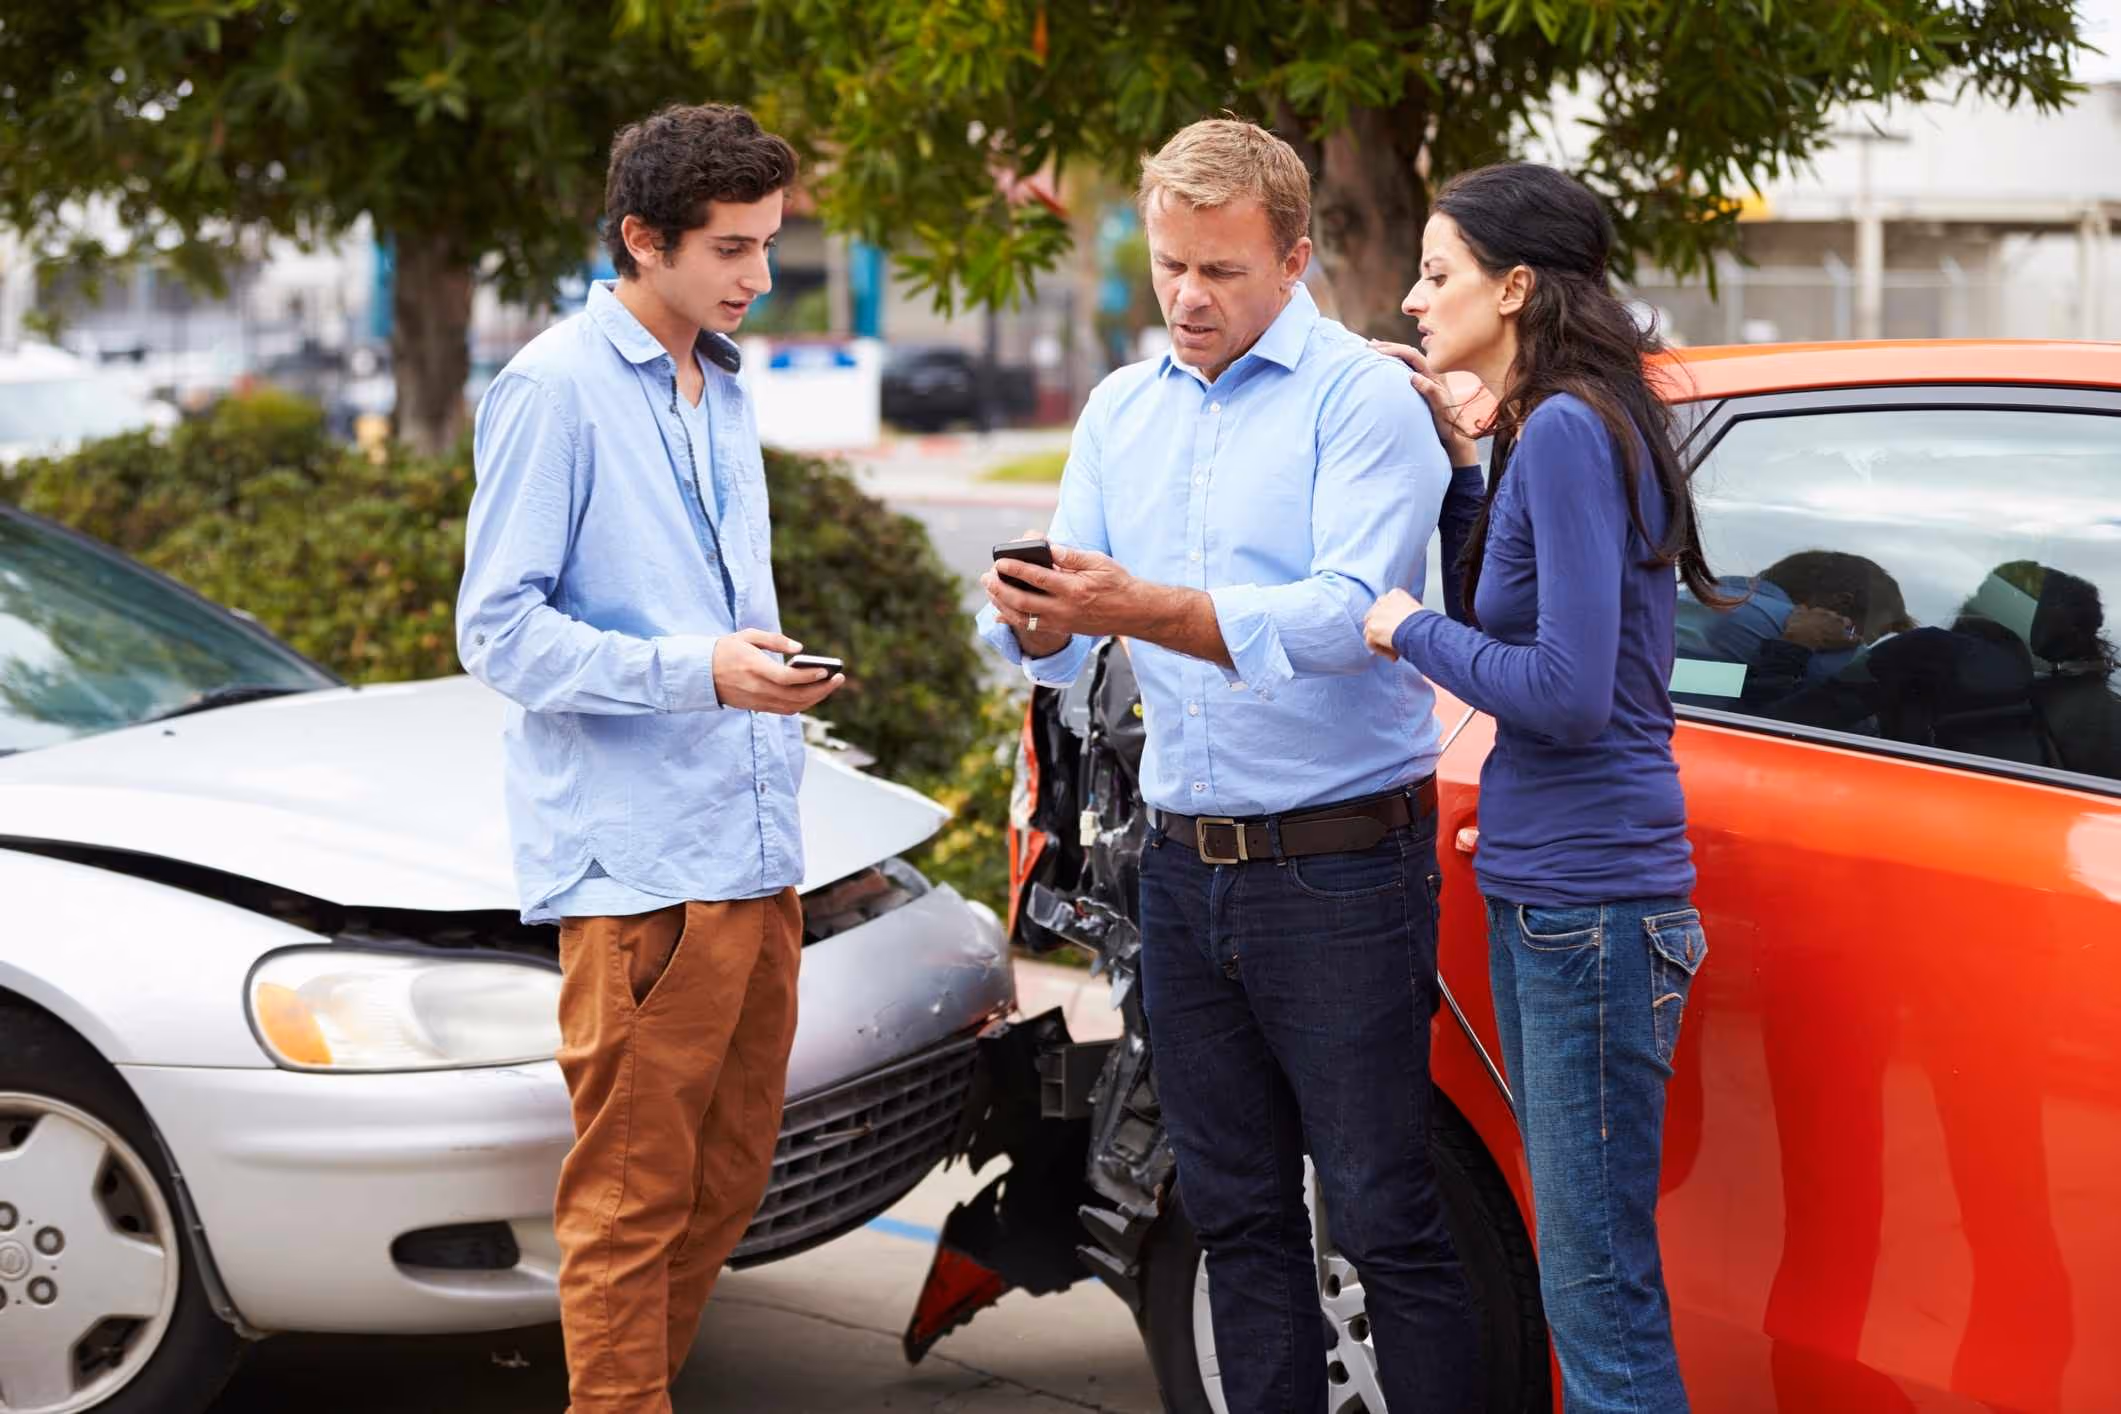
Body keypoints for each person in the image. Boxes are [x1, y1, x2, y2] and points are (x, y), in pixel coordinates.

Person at [979, 117, 1482, 1414]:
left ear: (1297, 258)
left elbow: (1337, 617)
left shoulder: (1364, 401)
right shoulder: (1121, 410)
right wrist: (1034, 610)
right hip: (1181, 865)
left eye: (1222, 271)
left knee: (1384, 1213)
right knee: (1232, 1211)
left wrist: (1135, 604)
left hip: (1341, 869)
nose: (1189, 299)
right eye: (1170, 269)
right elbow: (1052, 629)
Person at [455, 104, 842, 1414]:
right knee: (628, 1202)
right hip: (639, 870)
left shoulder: (717, 383)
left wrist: (751, 659)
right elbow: (496, 632)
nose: (756, 276)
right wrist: (699, 670)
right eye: (731, 247)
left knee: (726, 1179)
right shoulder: (553, 387)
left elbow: (696, 615)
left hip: (746, 842)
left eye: (768, 245)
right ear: (641, 239)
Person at [1362, 160, 1719, 1412]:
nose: (1414, 297)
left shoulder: (1571, 426)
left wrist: (1400, 627)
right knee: (1589, 1273)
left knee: (1596, 1289)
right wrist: (1468, 463)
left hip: (1589, 908)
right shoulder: (1555, 423)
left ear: (1515, 287)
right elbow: (1509, 611)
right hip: (1561, 897)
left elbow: (1564, 689)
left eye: (1438, 272)